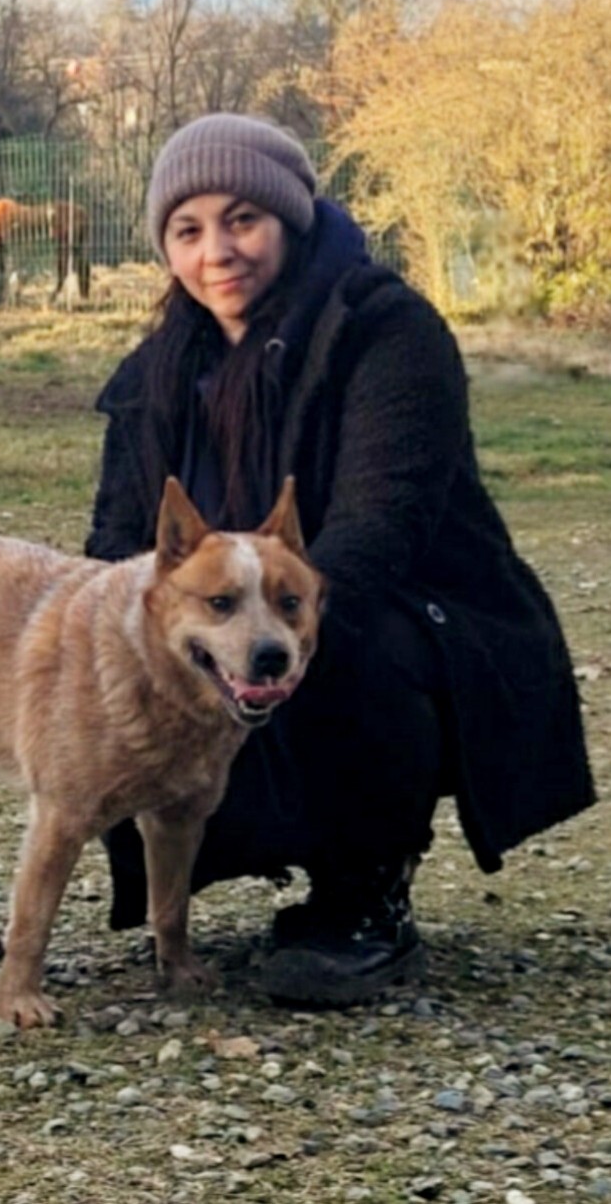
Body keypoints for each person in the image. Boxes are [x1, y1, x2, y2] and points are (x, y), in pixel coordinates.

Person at [88, 113, 595, 1007]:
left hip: (425, 617)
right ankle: (186, 877)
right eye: (187, 229)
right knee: (130, 649)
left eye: (242, 219)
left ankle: (364, 894)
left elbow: (380, 525)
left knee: (333, 629)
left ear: (290, 218)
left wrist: (272, 629)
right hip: (223, 621)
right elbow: (114, 546)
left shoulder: (386, 331)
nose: (217, 251)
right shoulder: (154, 371)